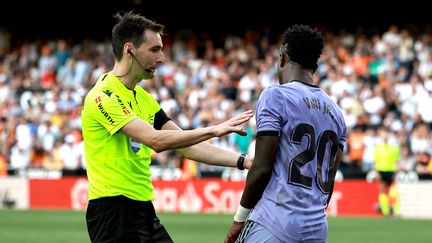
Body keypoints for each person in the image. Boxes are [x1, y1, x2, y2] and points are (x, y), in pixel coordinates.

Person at [81, 11, 253, 243]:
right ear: (129, 49)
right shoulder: (103, 96)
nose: (161, 58)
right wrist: (214, 129)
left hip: (143, 210)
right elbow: (156, 141)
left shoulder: (144, 99)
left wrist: (244, 161)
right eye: (154, 49)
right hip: (112, 212)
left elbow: (188, 147)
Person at [225, 24, 347, 243]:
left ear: (282, 58)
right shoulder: (337, 114)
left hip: (274, 222)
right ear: (315, 67)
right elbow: (329, 181)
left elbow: (262, 167)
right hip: (317, 229)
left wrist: (239, 218)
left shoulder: (275, 95)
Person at [373, 129, 400, 216]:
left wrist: (396, 171)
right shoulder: (378, 147)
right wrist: (376, 172)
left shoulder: (394, 147)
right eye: (383, 134)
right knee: (382, 190)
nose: (385, 136)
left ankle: (395, 210)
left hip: (391, 170)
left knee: (393, 191)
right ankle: (385, 210)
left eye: (386, 134)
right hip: (381, 170)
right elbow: (375, 160)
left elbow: (397, 160)